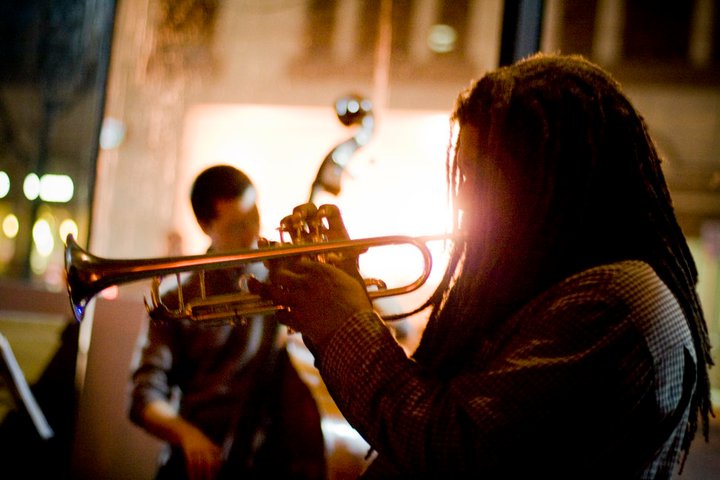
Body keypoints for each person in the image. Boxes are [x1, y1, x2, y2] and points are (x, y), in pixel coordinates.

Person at [254, 54, 714, 478]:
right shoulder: (562, 289)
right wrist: (344, 291)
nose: (467, 196)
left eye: (480, 176)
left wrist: (345, 326)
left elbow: (453, 450)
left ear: (551, 178)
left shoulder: (610, 303)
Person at [129, 165, 326, 480]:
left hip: (272, 461)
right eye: (236, 227)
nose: (251, 235)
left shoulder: (285, 280)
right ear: (207, 226)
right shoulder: (177, 296)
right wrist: (186, 436)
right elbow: (143, 397)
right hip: (199, 462)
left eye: (254, 219)